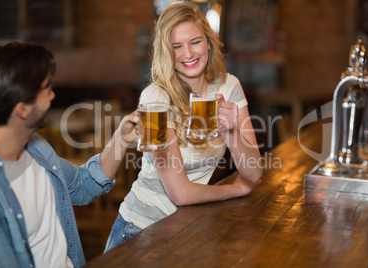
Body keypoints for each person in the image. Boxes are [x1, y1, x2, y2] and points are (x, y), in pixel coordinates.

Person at [104, 1, 263, 252]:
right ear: (167, 52)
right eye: (176, 46)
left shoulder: (228, 86)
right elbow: (181, 194)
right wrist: (235, 189)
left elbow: (253, 172)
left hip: (187, 228)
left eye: (195, 42)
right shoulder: (154, 99)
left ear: (208, 42)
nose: (188, 54)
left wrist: (231, 132)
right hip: (139, 231)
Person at [0, 42, 139, 268]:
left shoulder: (36, 149)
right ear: (22, 109)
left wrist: (121, 138)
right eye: (46, 89)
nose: (53, 96)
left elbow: (82, 185)